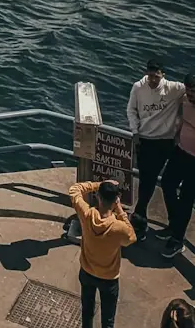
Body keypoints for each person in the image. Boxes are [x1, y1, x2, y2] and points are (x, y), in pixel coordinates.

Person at [127, 57, 185, 236]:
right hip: (144, 140)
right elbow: (131, 110)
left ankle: (139, 218)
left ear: (163, 76)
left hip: (165, 142)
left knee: (153, 181)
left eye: (156, 77)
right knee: (147, 180)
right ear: (146, 74)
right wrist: (135, 131)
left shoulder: (174, 88)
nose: (153, 80)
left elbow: (190, 90)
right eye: (150, 76)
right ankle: (140, 216)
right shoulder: (138, 87)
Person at [68, 179, 136, 328]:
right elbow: (131, 237)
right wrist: (120, 210)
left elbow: (74, 190)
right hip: (109, 279)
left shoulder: (86, 214)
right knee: (108, 320)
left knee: (87, 312)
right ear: (115, 200)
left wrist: (98, 184)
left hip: (86, 272)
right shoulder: (118, 228)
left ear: (98, 197)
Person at [159, 73, 195, 258]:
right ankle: (174, 224)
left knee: (187, 199)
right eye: (188, 91)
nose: (191, 95)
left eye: (194, 92)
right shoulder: (185, 101)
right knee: (167, 183)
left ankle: (177, 239)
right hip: (181, 151)